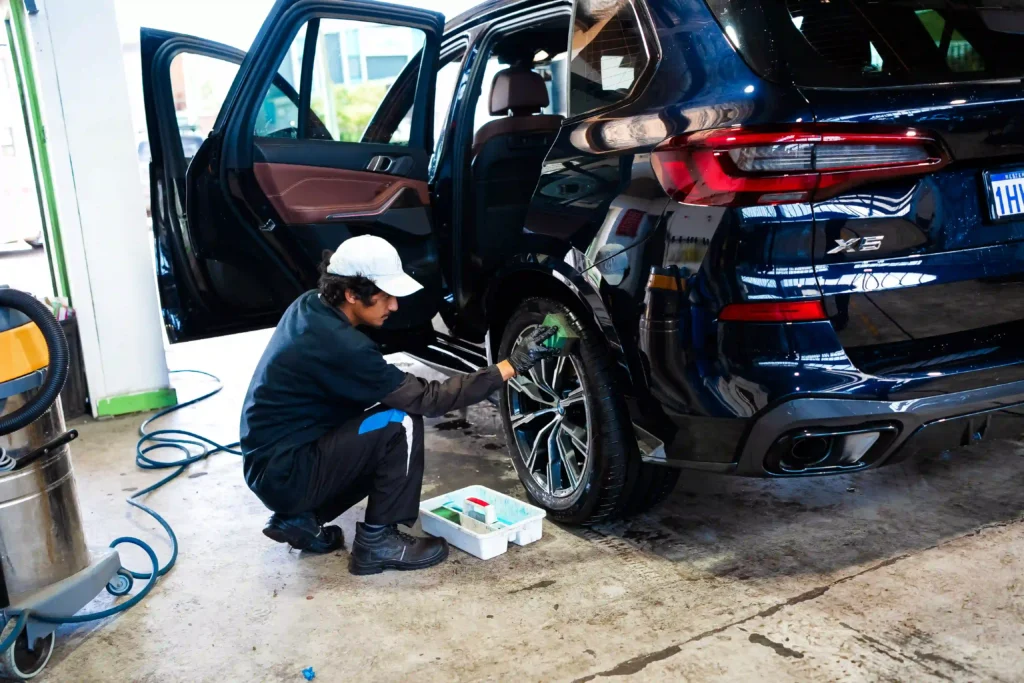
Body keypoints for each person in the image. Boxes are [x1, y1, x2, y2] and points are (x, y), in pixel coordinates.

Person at [239, 234, 559, 575]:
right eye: (386, 296)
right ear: (351, 294)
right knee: (400, 422)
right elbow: (429, 399)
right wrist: (509, 365)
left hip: (272, 465)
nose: (394, 306)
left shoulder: (310, 306)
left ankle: (303, 520)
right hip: (288, 472)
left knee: (375, 428)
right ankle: (378, 543)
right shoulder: (343, 347)